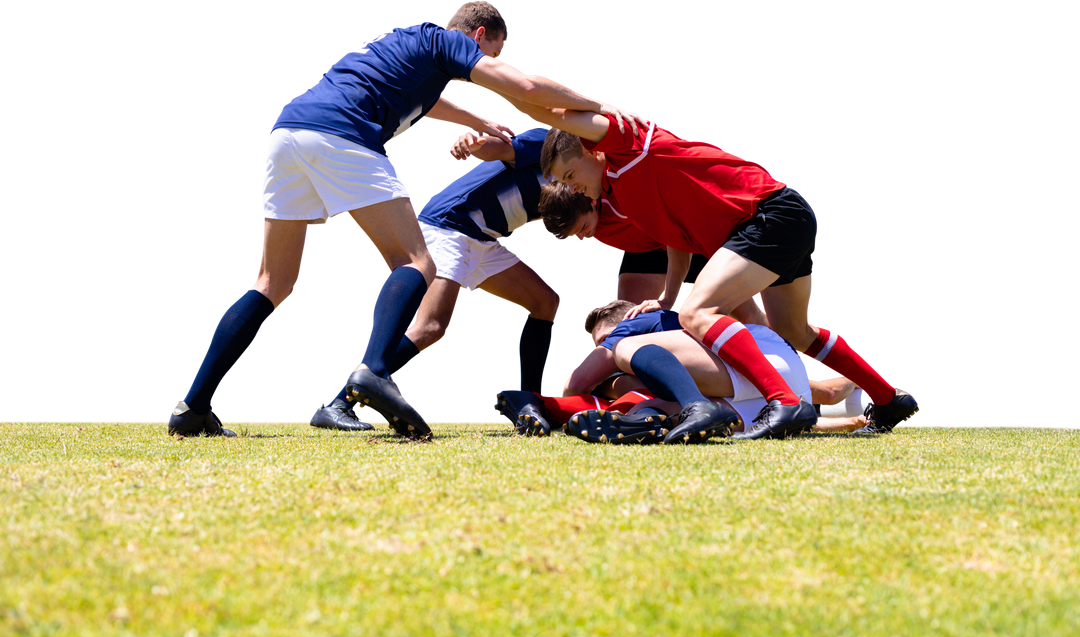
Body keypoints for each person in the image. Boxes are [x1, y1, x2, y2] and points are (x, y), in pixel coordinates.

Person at [166, 0, 646, 438]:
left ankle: (194, 405)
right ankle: (370, 374)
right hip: (343, 132)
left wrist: (474, 122)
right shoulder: (448, 42)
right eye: (495, 54)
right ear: (477, 37)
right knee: (414, 262)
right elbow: (522, 85)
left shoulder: (407, 46)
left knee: (273, 281)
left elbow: (431, 101)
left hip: (288, 131)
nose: (494, 64)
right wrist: (606, 110)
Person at [501, 99, 920, 440]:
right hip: (781, 214)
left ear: (594, 149)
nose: (572, 187)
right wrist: (666, 298)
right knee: (794, 332)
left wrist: (481, 73)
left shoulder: (629, 145)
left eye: (571, 175)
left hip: (765, 215)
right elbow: (678, 240)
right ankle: (887, 397)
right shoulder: (625, 191)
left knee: (696, 313)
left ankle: (786, 402)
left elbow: (545, 101)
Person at [309, 125, 563, 434]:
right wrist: (474, 142)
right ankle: (339, 403)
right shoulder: (558, 140)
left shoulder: (596, 171)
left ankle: (530, 404)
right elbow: (500, 146)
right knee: (430, 327)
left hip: (482, 235)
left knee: (545, 301)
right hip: (451, 224)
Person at [495, 299, 871, 443]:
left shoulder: (632, 327)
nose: (598, 349)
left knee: (628, 358)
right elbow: (824, 393)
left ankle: (532, 400)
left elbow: (573, 383)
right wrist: (854, 406)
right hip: (771, 378)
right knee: (672, 405)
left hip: (749, 361)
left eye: (598, 341)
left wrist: (604, 368)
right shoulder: (679, 331)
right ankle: (648, 419)